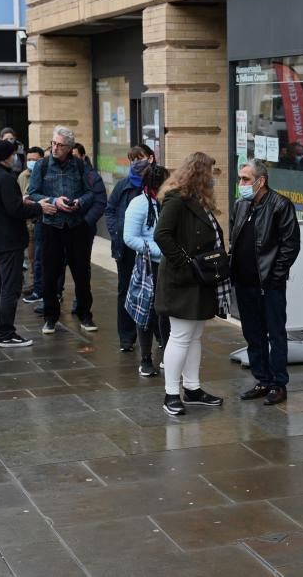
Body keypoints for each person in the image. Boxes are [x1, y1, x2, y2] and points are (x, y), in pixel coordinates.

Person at [153, 151, 227, 416]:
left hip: (199, 278)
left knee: (194, 336)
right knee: (181, 336)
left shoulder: (198, 199)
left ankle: (193, 389)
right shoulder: (178, 199)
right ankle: (171, 393)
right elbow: (161, 235)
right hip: (183, 279)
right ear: (199, 173)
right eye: (211, 173)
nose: (214, 178)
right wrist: (185, 263)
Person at [231, 159, 300, 406]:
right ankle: (262, 379)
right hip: (243, 282)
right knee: (253, 334)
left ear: (260, 181)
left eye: (246, 179)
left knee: (275, 335)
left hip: (269, 284)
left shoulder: (280, 205)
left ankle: (278, 384)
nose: (241, 184)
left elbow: (290, 246)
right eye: (240, 179)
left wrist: (274, 276)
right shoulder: (240, 205)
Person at [27, 125, 96, 334]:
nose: (55, 148)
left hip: (76, 226)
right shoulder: (42, 165)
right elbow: (32, 194)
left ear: (69, 148)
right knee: (50, 274)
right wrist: (55, 201)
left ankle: (85, 314)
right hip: (51, 226)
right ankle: (50, 316)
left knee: (82, 273)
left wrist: (79, 203)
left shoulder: (80, 166)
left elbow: (91, 193)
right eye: (53, 143)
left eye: (60, 145)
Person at [0, 140, 45, 348]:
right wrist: (39, 207)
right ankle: (6, 333)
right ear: (7, 157)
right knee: (9, 288)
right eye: (14, 154)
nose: (16, 158)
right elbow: (15, 210)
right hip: (8, 243)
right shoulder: (6, 179)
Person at [124, 163, 171, 376]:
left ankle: (169, 355)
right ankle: (145, 359)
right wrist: (157, 250)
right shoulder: (139, 204)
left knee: (167, 312)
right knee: (146, 313)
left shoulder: (169, 202)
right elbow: (130, 237)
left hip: (169, 265)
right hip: (149, 266)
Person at [106, 147, 152, 351]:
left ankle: (157, 334)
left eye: (139, 158)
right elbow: (110, 210)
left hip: (151, 248)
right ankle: (127, 338)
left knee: (154, 292)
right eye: (132, 159)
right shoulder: (123, 185)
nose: (136, 162)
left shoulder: (157, 183)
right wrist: (117, 231)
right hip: (125, 248)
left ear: (150, 158)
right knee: (125, 291)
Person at [68, 142, 107, 322]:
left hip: (83, 228)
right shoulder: (65, 172)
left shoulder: (91, 176)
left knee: (82, 267)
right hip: (63, 226)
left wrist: (85, 222)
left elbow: (100, 202)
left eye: (75, 155)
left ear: (83, 156)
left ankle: (81, 304)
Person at [19, 147, 44, 301]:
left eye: (35, 159)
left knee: (42, 257)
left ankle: (42, 286)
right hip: (28, 223)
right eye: (29, 159)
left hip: (42, 221)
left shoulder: (44, 174)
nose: (32, 162)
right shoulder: (22, 176)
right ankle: (35, 283)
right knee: (32, 257)